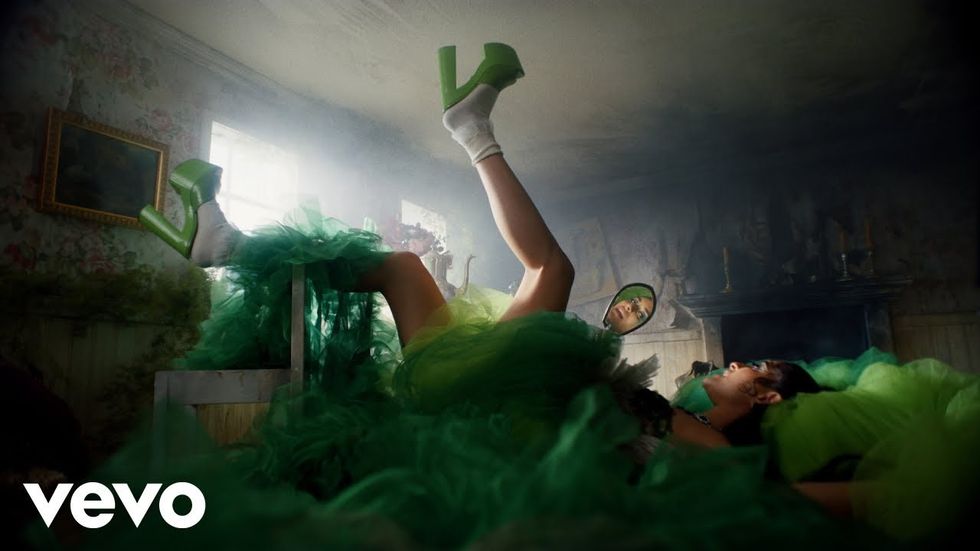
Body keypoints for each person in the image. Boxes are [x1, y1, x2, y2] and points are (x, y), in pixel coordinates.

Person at [46, 44, 933, 549]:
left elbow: (777, 497)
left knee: (550, 275)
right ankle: (229, 245)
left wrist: (906, 495)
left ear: (768, 398)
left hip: (486, 417)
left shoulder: (712, 446)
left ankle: (470, 129)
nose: (732, 363)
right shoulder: (681, 401)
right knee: (404, 266)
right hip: (473, 394)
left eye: (751, 368)